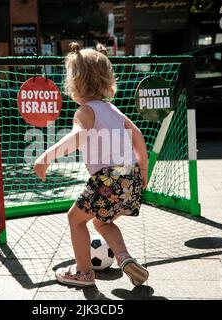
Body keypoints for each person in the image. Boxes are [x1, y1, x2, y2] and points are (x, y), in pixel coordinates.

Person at [33, 42, 150, 288]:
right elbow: (138, 137)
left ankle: (84, 272)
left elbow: (76, 138)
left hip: (108, 180)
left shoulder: (85, 111)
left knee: (75, 220)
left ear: (74, 83)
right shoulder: (114, 110)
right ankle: (124, 257)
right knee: (102, 222)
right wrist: (143, 175)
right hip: (130, 177)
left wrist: (46, 156)